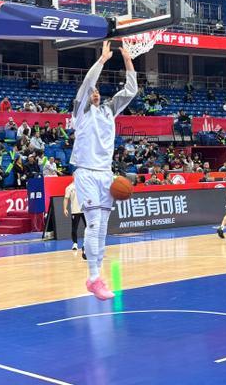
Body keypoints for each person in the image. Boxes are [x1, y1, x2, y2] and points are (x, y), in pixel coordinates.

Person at [70, 41, 137, 301]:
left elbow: (131, 90)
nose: (95, 93)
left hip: (105, 174)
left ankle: (97, 277)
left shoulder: (109, 110)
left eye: (98, 91)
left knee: (102, 228)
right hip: (86, 171)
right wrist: (102, 60)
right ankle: (93, 275)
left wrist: (128, 61)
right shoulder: (80, 113)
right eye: (92, 92)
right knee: (94, 224)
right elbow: (88, 82)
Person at [63, 181, 87, 258]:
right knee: (74, 227)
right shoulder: (69, 187)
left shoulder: (84, 184)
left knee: (89, 227)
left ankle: (86, 244)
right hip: (75, 210)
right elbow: (66, 198)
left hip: (85, 210)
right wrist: (65, 209)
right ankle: (75, 243)